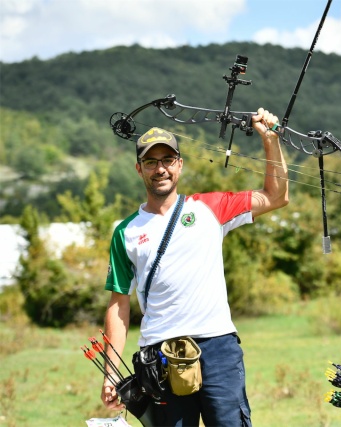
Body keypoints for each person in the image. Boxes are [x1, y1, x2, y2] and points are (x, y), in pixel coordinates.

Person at [100, 107, 288, 427]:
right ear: (139, 168)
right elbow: (118, 307)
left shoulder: (210, 208)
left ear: (179, 165)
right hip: (159, 354)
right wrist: (111, 373)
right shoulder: (126, 232)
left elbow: (276, 196)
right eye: (150, 161)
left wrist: (270, 140)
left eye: (167, 160)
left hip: (217, 347)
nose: (160, 169)